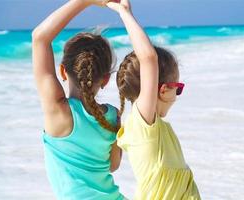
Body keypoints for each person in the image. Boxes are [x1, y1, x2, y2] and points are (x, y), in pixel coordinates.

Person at [106, 0, 201, 199]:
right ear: (164, 89)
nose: (177, 96)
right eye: (178, 88)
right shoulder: (143, 126)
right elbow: (149, 59)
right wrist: (124, 13)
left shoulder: (159, 128)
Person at [32, 0, 124, 199]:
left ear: (63, 71)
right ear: (106, 79)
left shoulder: (59, 110)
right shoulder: (112, 115)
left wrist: (86, 1)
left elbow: (40, 38)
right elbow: (113, 165)